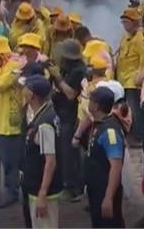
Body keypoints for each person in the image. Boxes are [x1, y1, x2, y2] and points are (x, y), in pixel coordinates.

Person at [0, 35, 23, 208]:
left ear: (1, 55)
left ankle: (12, 192)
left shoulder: (14, 66)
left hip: (8, 125)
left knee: (9, 163)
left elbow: (1, 84)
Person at [47, 38, 86, 201]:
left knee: (68, 153)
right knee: (60, 152)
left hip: (70, 116)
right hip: (60, 113)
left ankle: (72, 187)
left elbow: (71, 94)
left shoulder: (79, 71)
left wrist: (58, 77)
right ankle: (63, 182)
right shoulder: (66, 67)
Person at [21, 75, 62, 228]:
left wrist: (42, 194)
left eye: (25, 89)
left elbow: (50, 161)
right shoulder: (45, 112)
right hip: (36, 185)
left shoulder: (44, 124)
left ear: (32, 95)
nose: (22, 91)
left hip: (42, 190)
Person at [83, 86, 125, 228]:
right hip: (95, 189)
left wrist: (108, 197)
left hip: (105, 190)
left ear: (96, 106)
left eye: (90, 100)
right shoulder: (98, 124)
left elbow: (116, 166)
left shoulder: (110, 131)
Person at [114, 7, 144, 146]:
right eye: (123, 22)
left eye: (126, 22)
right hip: (122, 79)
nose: (124, 25)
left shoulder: (141, 37)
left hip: (133, 81)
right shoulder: (125, 37)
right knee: (125, 109)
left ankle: (138, 137)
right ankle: (128, 134)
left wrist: (140, 78)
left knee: (134, 110)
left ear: (134, 22)